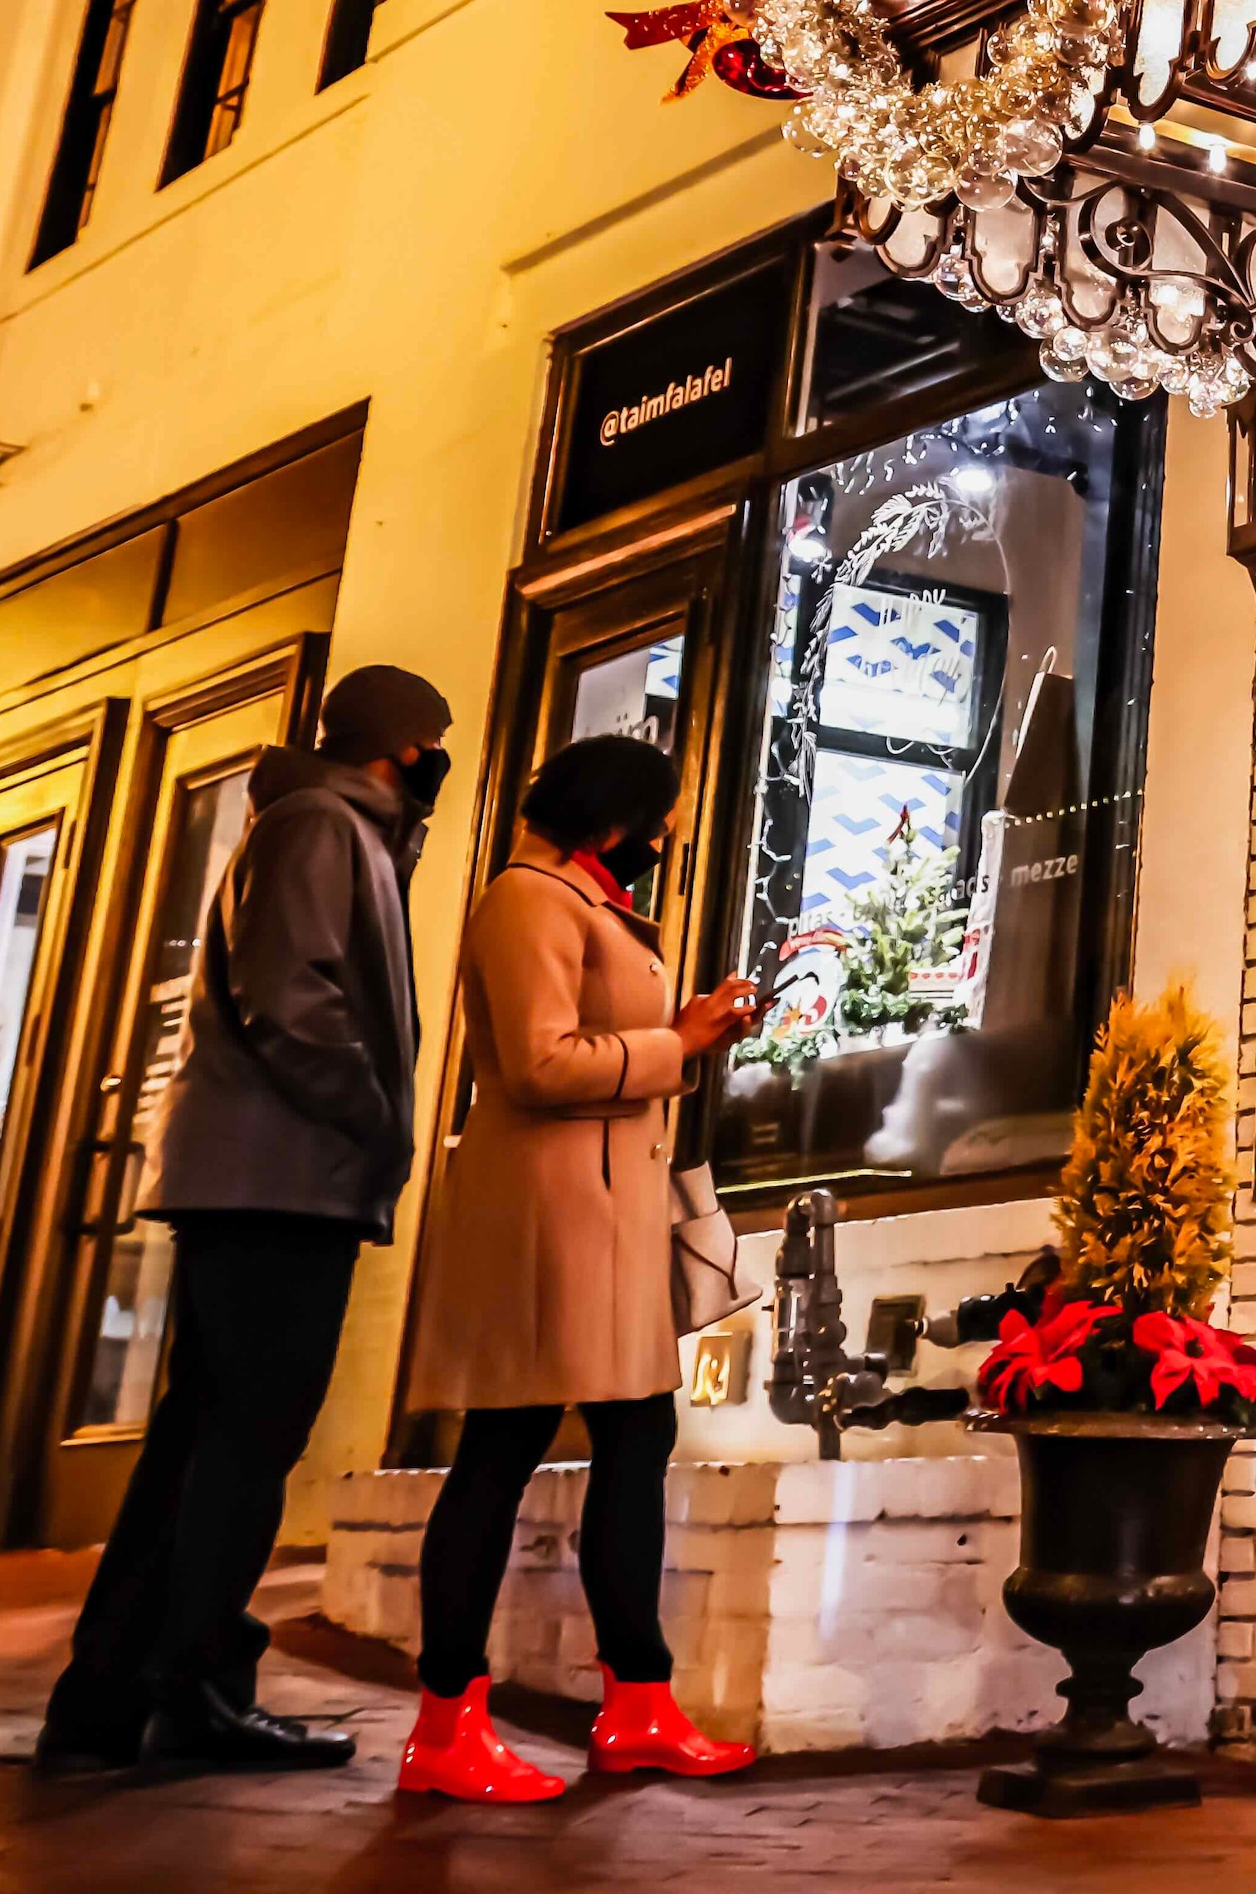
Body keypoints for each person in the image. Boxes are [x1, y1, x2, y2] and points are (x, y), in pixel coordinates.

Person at [43, 663, 457, 1773]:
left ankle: (112, 1690)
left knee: (203, 1440)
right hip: (280, 1177)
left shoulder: (328, 826)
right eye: (435, 742)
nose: (440, 763)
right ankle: (196, 1687)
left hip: (268, 1176)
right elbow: (293, 995)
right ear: (405, 744)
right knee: (242, 1444)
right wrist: (373, 1118)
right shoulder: (323, 825)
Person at [393, 733, 762, 1803]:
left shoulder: (582, 900)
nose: (663, 838)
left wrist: (691, 1037)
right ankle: (447, 1720)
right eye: (655, 819)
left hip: (603, 1214)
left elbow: (609, 1058)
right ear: (612, 820)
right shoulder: (528, 900)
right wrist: (679, 1040)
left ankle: (638, 1702)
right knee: (500, 1447)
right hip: (548, 1216)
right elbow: (540, 1059)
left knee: (636, 1435)